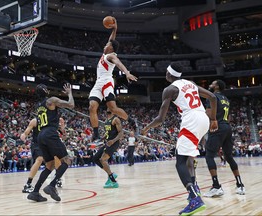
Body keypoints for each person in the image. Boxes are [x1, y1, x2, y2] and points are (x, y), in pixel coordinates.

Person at [141, 62, 218, 216]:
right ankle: (194, 189)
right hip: (203, 118)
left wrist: (146, 128)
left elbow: (161, 118)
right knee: (189, 157)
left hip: (191, 120)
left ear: (169, 75)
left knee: (180, 162)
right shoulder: (191, 83)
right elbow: (212, 96)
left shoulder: (169, 89)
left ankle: (195, 199)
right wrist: (214, 119)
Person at [88, 17, 138, 142]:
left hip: (106, 82)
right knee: (92, 107)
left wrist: (126, 72)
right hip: (98, 82)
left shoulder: (111, 56)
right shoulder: (107, 52)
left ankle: (131, 121)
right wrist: (115, 28)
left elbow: (118, 62)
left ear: (111, 49)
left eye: (107, 45)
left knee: (113, 109)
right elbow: (112, 39)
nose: (105, 45)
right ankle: (96, 134)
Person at [27, 83, 74, 202]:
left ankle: (35, 192)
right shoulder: (51, 100)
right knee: (67, 160)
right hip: (49, 133)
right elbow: (71, 105)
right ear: (45, 91)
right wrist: (69, 93)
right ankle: (52, 185)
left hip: (40, 136)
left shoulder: (39, 106)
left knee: (50, 165)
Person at [203, 79, 245, 197]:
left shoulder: (211, 96)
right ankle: (240, 185)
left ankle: (216, 187)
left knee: (209, 155)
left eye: (213, 83)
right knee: (229, 156)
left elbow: (210, 114)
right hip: (227, 127)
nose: (210, 84)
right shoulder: (226, 99)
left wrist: (201, 112)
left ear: (217, 87)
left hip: (217, 127)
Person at [93, 108, 123, 188]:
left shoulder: (116, 119)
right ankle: (111, 174)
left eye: (110, 106)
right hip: (107, 142)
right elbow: (107, 133)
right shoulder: (106, 120)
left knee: (103, 159)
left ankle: (113, 181)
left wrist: (113, 141)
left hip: (113, 143)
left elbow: (121, 133)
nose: (108, 107)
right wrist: (101, 139)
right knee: (96, 158)